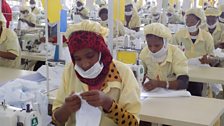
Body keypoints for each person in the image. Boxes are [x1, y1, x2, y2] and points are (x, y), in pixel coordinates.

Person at [52, 20, 141, 126]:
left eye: (90, 56)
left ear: (101, 52)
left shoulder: (122, 73)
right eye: (77, 59)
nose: (84, 64)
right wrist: (66, 109)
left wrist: (108, 104)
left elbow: (133, 123)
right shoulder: (70, 70)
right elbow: (56, 119)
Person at [172, 8, 214, 96]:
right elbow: (172, 52)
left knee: (196, 88)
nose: (189, 25)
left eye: (192, 22)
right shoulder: (179, 35)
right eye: (187, 22)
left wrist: (208, 59)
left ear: (199, 22)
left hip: (200, 71)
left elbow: (212, 56)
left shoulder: (207, 37)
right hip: (182, 69)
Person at [139, 23, 189, 92]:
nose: (153, 49)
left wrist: (159, 84)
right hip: (152, 93)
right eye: (149, 45)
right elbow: (140, 74)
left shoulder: (176, 54)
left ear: (165, 42)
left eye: (157, 45)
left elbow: (183, 83)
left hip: (173, 93)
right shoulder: (145, 52)